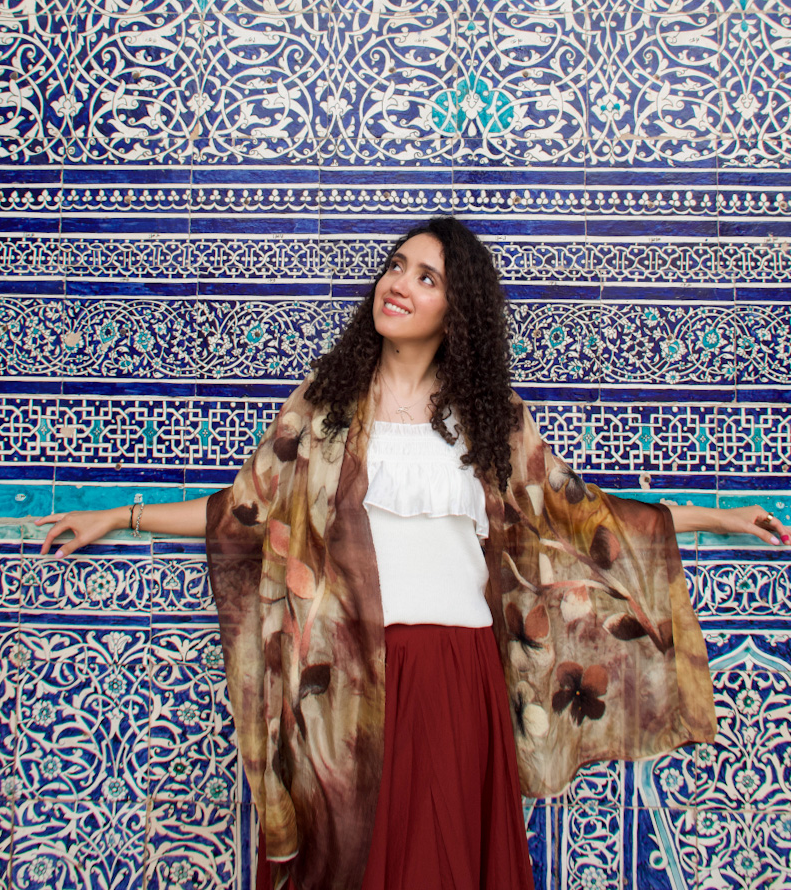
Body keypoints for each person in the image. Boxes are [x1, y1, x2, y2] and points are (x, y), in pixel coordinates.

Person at [39, 216, 789, 890]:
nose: (398, 284)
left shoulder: (490, 422)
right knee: (362, 864)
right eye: (396, 266)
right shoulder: (327, 407)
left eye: (425, 277)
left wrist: (713, 515)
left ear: (454, 309)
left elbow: (579, 513)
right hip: (354, 685)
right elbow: (245, 510)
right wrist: (122, 515)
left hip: (459, 676)